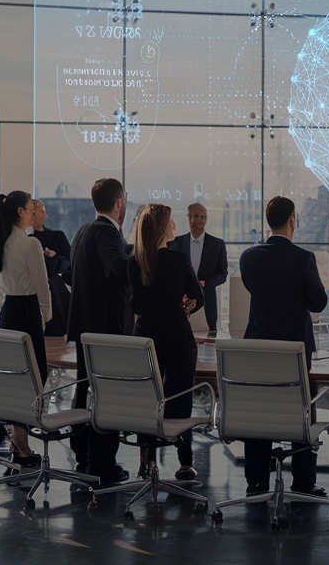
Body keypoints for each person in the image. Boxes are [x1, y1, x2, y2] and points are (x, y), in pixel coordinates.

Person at [239, 196, 329, 497]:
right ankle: (303, 482)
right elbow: (318, 302)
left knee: (257, 412)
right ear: (292, 219)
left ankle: (256, 482)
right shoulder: (303, 258)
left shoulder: (248, 257)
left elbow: (255, 289)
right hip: (295, 351)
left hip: (257, 350)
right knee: (302, 409)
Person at [129, 204, 204, 484]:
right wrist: (185, 306)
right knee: (180, 396)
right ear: (163, 228)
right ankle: (184, 462)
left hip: (145, 337)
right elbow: (198, 295)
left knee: (148, 399)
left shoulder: (133, 261)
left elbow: (135, 303)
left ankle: (145, 461)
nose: (175, 226)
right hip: (177, 336)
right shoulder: (178, 259)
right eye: (171, 222)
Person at [66, 178, 132, 485]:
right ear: (119, 203)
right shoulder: (107, 232)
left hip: (84, 327)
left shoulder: (83, 230)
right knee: (107, 395)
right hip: (104, 330)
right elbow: (119, 267)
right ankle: (102, 463)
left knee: (84, 388)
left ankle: (84, 455)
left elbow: (69, 274)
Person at [0, 190, 52, 469]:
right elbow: (42, 286)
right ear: (20, 212)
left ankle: (19, 440)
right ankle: (21, 442)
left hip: (8, 312)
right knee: (35, 377)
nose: (34, 213)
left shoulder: (0, 242)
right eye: (30, 209)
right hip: (27, 312)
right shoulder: (30, 244)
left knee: (16, 378)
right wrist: (45, 317)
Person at [168, 203, 228, 338]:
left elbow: (223, 274)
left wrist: (205, 283)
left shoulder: (217, 244)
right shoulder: (177, 242)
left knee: (211, 338)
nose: (200, 220)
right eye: (195, 216)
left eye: (203, 217)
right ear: (188, 218)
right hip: (180, 299)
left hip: (208, 300)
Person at [29, 199, 73, 338]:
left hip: (57, 288)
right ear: (32, 213)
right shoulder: (28, 240)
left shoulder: (57, 236)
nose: (45, 215)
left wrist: (54, 257)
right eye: (42, 211)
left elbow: (69, 261)